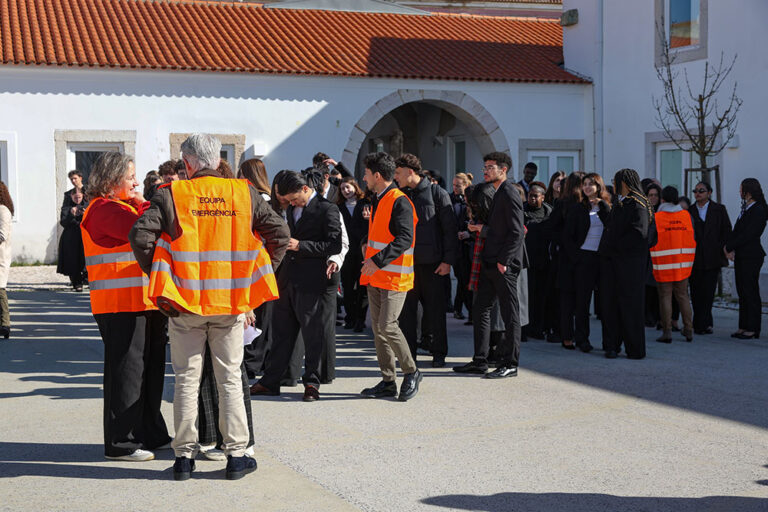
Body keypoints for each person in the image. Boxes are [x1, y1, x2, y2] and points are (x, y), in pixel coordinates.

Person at [130, 133, 289, 481]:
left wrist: (161, 282)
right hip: (230, 302)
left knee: (186, 379)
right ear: (217, 161)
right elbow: (279, 233)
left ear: (187, 164)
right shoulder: (243, 192)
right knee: (229, 378)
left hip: (185, 304)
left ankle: (184, 460)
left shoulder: (172, 194)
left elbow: (140, 236)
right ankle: (236, 456)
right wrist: (256, 277)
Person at [80, 152, 171, 462]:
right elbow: (146, 227)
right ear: (110, 181)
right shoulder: (103, 209)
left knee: (151, 370)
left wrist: (142, 201)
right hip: (119, 305)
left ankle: (151, 433)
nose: (136, 181)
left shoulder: (123, 206)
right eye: (129, 177)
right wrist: (148, 202)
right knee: (128, 374)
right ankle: (122, 443)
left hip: (145, 302)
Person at [250, 171, 342, 401]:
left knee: (313, 335)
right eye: (288, 201)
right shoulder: (292, 208)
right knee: (282, 334)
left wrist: (302, 246)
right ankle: (270, 381)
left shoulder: (327, 208)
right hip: (288, 279)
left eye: (293, 199)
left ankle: (312, 383)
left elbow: (334, 245)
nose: (290, 204)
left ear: (304, 189)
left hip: (311, 282)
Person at [453, 152, 525, 378]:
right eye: (484, 167)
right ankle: (480, 360)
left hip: (503, 264)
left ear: (503, 170)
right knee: (480, 309)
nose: (485, 171)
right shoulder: (498, 192)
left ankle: (510, 363)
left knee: (510, 314)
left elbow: (517, 232)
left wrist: (504, 261)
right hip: (489, 261)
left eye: (490, 167)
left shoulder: (509, 193)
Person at [358, 152, 421, 401]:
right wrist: (367, 247)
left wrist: (376, 260)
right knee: (378, 330)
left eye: (366, 174)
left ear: (377, 175)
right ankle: (387, 381)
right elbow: (379, 234)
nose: (363, 178)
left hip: (394, 276)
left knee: (387, 326)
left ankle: (412, 371)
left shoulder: (400, 201)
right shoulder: (379, 198)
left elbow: (405, 238)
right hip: (377, 276)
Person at [393, 154, 458, 368]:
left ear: (410, 172)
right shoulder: (399, 195)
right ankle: (408, 355)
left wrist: (448, 261)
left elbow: (449, 230)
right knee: (406, 315)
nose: (396, 176)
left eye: (398, 172)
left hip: (434, 265)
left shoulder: (437, 194)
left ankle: (439, 353)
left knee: (436, 312)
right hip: (406, 266)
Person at [598, 169, 655, 359]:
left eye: (615, 182)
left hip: (629, 265)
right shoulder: (623, 202)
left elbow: (640, 234)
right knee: (614, 305)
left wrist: (615, 246)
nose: (613, 186)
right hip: (618, 264)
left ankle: (634, 348)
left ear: (624, 183)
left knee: (630, 307)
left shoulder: (637, 204)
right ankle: (613, 344)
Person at [561, 173, 609, 352]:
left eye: (591, 184)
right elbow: (567, 237)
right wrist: (578, 257)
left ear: (599, 186)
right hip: (584, 259)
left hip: (602, 259)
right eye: (585, 184)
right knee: (582, 302)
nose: (587, 187)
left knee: (605, 302)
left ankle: (609, 343)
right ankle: (582, 339)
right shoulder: (577, 208)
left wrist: (603, 207)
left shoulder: (606, 206)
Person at [651, 186, 695, 343]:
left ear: (662, 199)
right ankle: (689, 330)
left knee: (665, 297)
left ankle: (667, 331)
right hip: (682, 265)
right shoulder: (686, 216)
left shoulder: (657, 217)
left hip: (663, 265)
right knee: (683, 296)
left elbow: (651, 239)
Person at [726, 178, 768, 339]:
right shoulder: (747, 208)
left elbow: (749, 234)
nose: (739, 192)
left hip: (752, 255)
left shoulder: (758, 209)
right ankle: (743, 326)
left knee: (750, 291)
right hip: (742, 255)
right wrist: (728, 246)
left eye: (741, 189)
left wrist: (730, 246)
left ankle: (753, 327)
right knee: (742, 291)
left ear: (748, 192)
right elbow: (738, 230)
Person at [688, 181, 732, 334]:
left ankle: (704, 323)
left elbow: (726, 229)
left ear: (709, 192)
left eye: (701, 190)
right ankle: (700, 322)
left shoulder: (719, 210)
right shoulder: (690, 210)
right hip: (695, 258)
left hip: (713, 257)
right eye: (695, 190)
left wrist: (723, 248)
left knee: (708, 292)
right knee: (695, 291)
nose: (698, 193)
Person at [555, 172, 585, 350]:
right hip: (567, 259)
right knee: (567, 300)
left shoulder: (588, 205)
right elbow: (554, 229)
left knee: (581, 301)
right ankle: (567, 336)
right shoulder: (563, 204)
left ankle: (580, 336)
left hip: (582, 258)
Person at [337, 176, 369, 332]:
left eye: (348, 187)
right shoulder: (339, 207)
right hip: (346, 253)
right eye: (342, 188)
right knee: (348, 286)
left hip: (362, 251)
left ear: (355, 187)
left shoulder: (365, 204)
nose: (345, 191)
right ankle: (350, 317)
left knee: (363, 287)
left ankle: (360, 319)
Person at [523, 181, 551, 340]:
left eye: (535, 196)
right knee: (526, 298)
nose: (532, 199)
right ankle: (524, 329)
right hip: (525, 261)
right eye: (530, 196)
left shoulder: (549, 212)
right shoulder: (522, 210)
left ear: (543, 197)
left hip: (543, 262)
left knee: (541, 297)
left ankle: (538, 328)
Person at [451, 173, 473, 320]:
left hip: (468, 246)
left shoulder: (471, 200)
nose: (455, 189)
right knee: (461, 278)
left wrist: (468, 233)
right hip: (455, 246)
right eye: (454, 185)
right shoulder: (449, 199)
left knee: (465, 280)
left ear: (466, 186)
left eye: (458, 186)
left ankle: (465, 309)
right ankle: (461, 309)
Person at [57, 187, 88, 291]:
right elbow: (63, 222)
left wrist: (85, 214)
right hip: (71, 238)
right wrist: (71, 214)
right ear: (71, 196)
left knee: (85, 260)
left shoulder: (87, 206)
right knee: (72, 261)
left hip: (84, 237)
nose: (77, 199)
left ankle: (86, 279)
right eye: (75, 197)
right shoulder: (66, 208)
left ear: (83, 196)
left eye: (79, 197)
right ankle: (77, 283)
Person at [643, 182, 664, 328]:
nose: (653, 198)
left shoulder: (663, 212)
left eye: (656, 195)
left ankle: (657, 316)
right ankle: (648, 316)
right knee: (647, 287)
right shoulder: (644, 211)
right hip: (646, 254)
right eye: (650, 195)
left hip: (660, 254)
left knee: (657, 289)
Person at [0, 181, 12, 339]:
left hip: (1, 256)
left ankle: (5, 324)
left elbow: (2, 234)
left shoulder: (3, 211)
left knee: (0, 290)